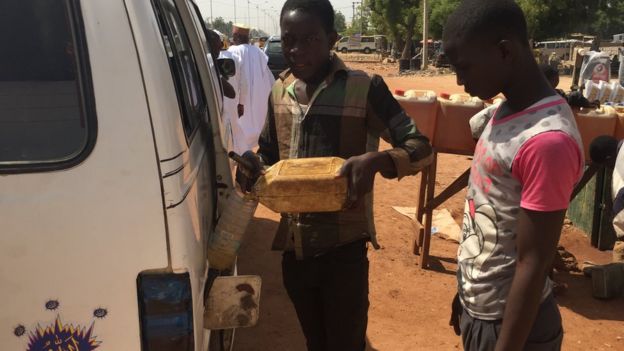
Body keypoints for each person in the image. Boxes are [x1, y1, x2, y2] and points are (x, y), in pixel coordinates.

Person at [235, 0, 433, 349]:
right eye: (289, 39)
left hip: (343, 252)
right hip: (295, 250)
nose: (296, 50)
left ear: (332, 39)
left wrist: (377, 162)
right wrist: (252, 167)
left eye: (309, 39)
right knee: (315, 342)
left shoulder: (364, 88)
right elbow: (269, 156)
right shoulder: (279, 92)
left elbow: (420, 147)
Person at [443, 1, 584, 350]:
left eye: (464, 68)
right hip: (484, 311)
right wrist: (466, 292)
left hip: (514, 329)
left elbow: (533, 262)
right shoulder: (505, 110)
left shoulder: (546, 141)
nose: (460, 81)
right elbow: (490, 213)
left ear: (505, 51)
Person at [228, 23, 275, 152]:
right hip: (259, 102)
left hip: (239, 102)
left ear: (236, 36)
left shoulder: (232, 52)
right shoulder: (259, 52)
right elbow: (270, 79)